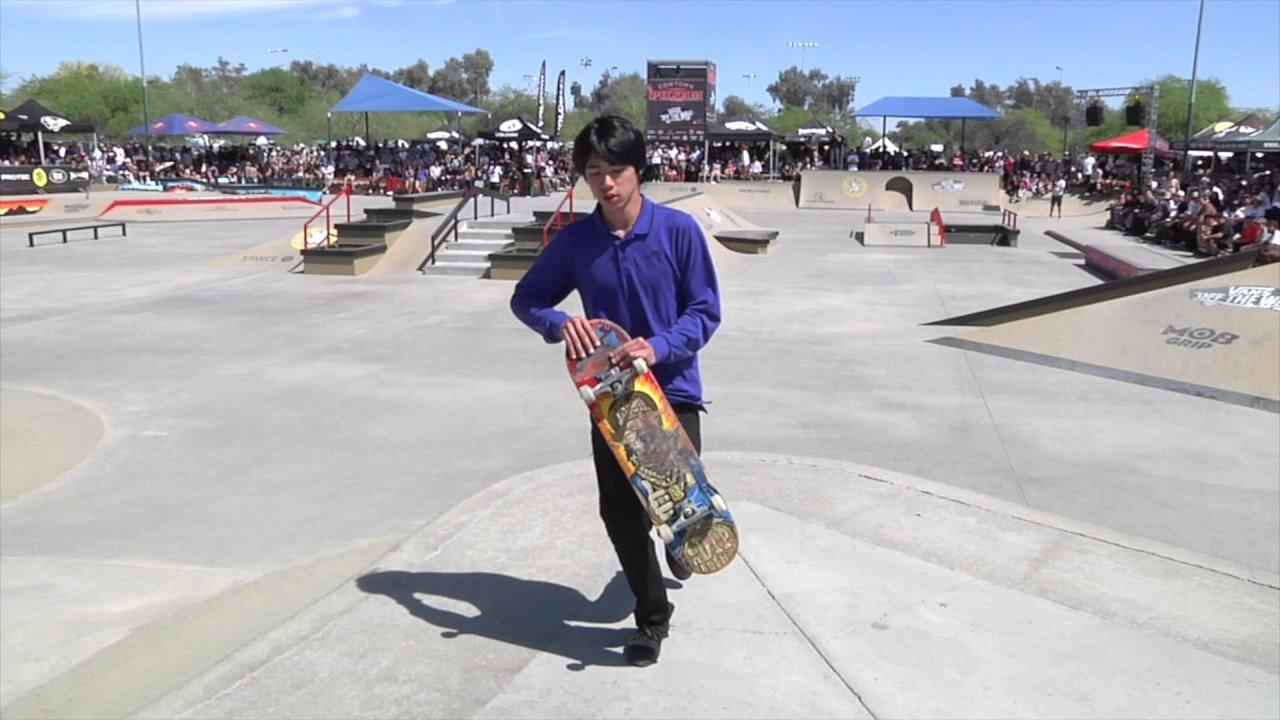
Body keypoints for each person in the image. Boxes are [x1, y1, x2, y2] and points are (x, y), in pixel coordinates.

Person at [510, 115, 721, 668]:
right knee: (620, 513)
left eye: (617, 170)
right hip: (609, 398)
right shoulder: (577, 243)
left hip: (673, 390)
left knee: (675, 504)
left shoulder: (677, 232)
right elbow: (526, 298)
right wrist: (560, 324)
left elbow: (705, 311)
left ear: (639, 170)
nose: (607, 183)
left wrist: (660, 345)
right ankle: (652, 619)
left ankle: (677, 538)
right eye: (594, 171)